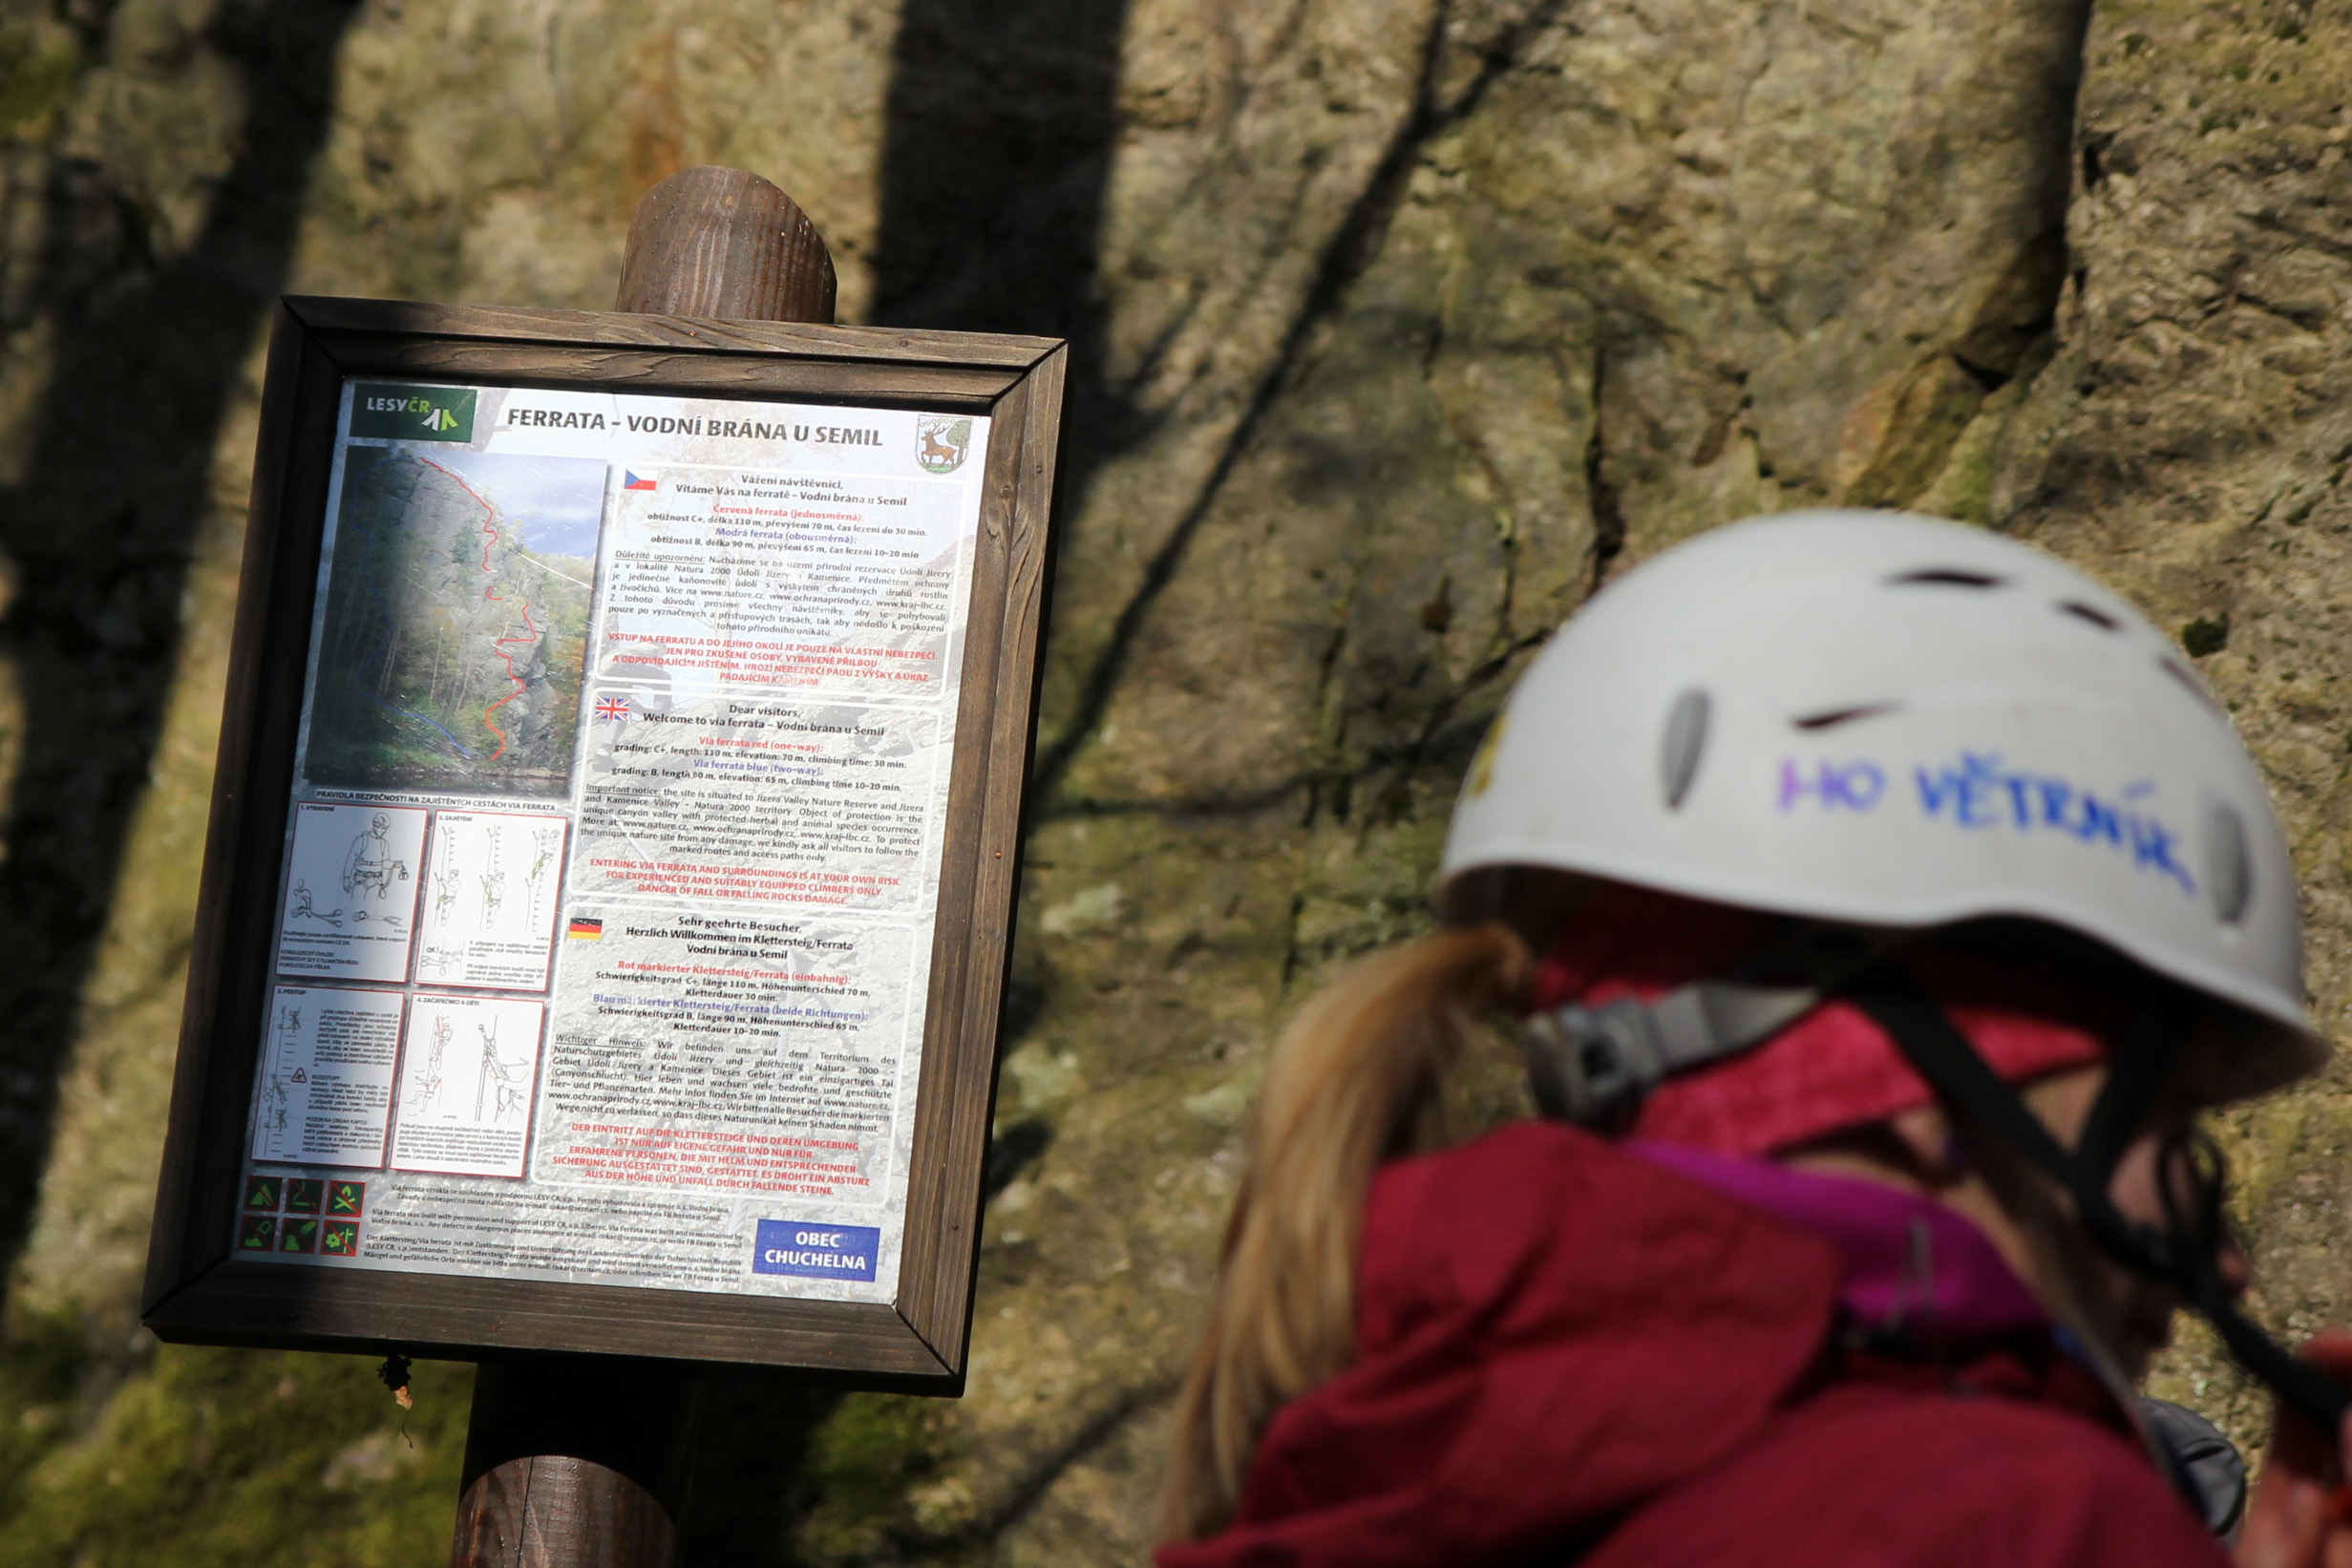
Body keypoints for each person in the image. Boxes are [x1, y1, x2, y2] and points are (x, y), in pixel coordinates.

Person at [1155, 511, 2352, 1568]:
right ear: (1923, 1084)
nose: (2227, 1262)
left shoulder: (1381, 1473)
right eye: (2173, 1131)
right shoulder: (2013, 1518)